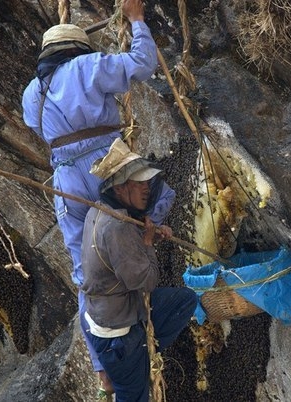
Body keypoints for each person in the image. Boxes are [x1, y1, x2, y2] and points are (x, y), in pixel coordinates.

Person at [21, 0, 172, 393]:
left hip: (66, 182)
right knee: (159, 198)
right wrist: (136, 21)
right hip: (108, 165)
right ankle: (148, 242)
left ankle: (101, 366)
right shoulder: (85, 68)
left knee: (84, 270)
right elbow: (142, 63)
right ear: (75, 50)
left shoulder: (30, 96)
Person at [81, 138, 196, 401]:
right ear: (120, 188)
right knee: (134, 397)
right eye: (139, 183)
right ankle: (135, 363)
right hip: (117, 336)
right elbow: (145, 281)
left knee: (184, 301)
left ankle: (141, 357)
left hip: (107, 313)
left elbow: (119, 254)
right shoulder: (117, 226)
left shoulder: (102, 211)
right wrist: (147, 244)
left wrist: (150, 236)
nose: (147, 188)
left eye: (147, 182)